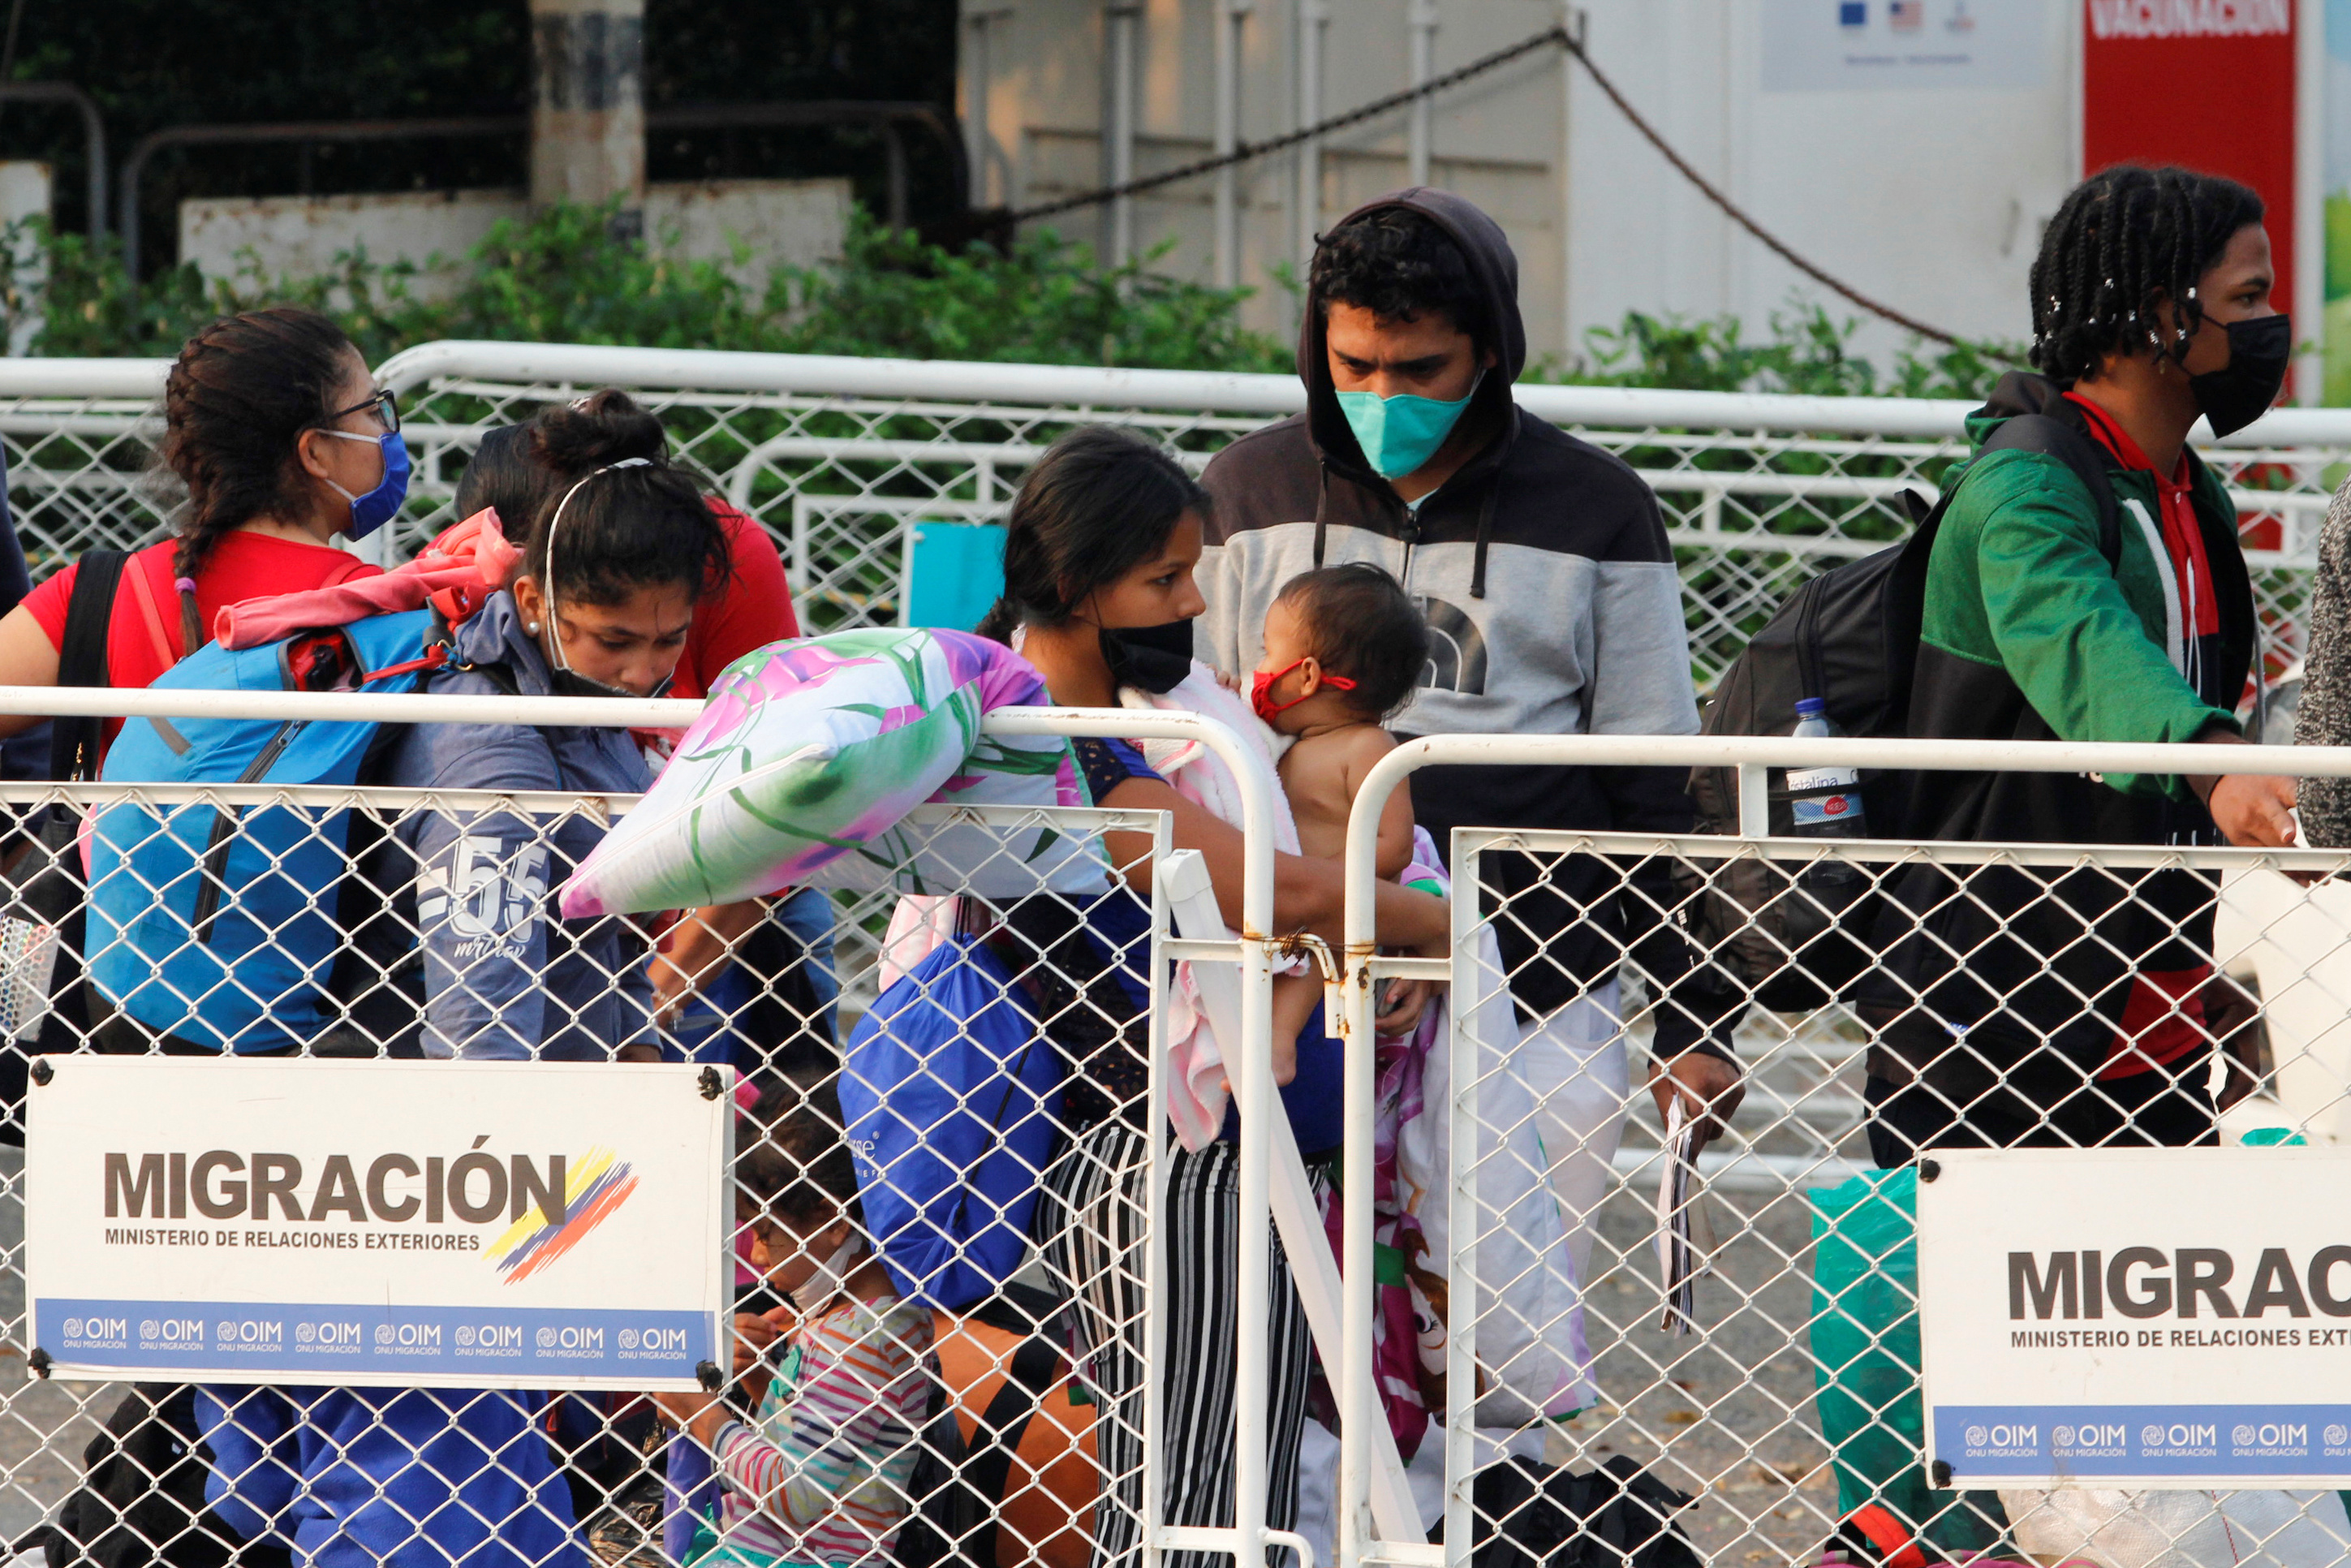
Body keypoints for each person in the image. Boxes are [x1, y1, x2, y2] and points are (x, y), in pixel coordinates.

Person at [1191, 190, 1744, 1285]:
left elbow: (1659, 785)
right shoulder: (1242, 493)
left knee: (1502, 1342)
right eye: (1354, 367)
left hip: (1538, 985)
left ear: (1489, 353)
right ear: (1316, 348)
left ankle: (1507, 1470)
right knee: (1292, 1333)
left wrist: (1697, 1018)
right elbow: (1193, 739)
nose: (1382, 398)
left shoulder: (1599, 510)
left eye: (1419, 371)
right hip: (1288, 988)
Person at [975, 424, 1450, 1568]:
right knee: (1198, 1491)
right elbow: (1267, 891)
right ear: (1080, 589)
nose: (1192, 602)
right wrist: (1441, 923)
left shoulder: (1160, 716)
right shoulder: (1054, 743)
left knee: (1233, 1472)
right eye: (1164, 579)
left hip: (1233, 1144)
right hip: (1160, 1156)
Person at [1858, 163, 2293, 1165]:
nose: (2275, 331)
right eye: (2247, 300)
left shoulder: (2188, 491)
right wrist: (2214, 760)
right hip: (1992, 1016)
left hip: (2157, 1019)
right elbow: (2081, 641)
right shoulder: (2023, 486)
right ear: (2156, 315)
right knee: (1987, 1322)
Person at [454, 411, 836, 1075]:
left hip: (724, 918)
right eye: (613, 638)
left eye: (667, 638)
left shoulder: (715, 554)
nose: (642, 674)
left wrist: (652, 1001)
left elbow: (783, 800)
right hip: (583, 938)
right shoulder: (488, 625)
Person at [0, 307, 394, 757]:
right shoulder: (372, 607)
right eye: (375, 409)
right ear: (316, 451)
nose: (387, 431)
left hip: (113, 831)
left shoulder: (99, 594)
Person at [656, 1087, 933, 1568]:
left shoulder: (861, 1337)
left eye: (765, 1233)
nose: (756, 1257)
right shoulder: (857, 1323)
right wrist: (764, 1379)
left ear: (832, 1222)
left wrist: (703, 1416)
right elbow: (827, 1447)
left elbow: (796, 1490)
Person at [1249, 562, 1428, 1060]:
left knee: (1321, 936)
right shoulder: (1281, 742)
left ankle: (1276, 1045)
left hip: (1334, 912)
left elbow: (1393, 847)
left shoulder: (1369, 746)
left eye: (1267, 653)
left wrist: (1315, 883)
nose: (1258, 671)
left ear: (1306, 676)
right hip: (1281, 904)